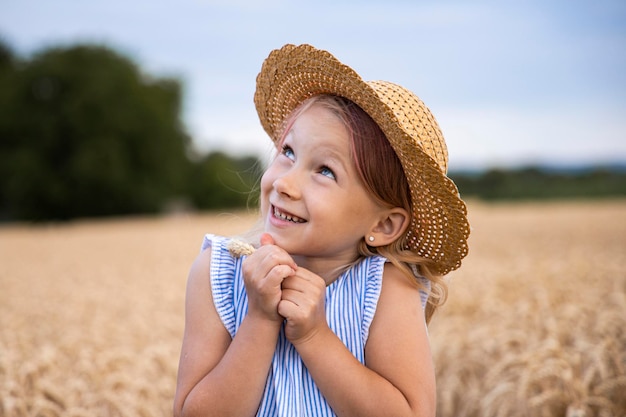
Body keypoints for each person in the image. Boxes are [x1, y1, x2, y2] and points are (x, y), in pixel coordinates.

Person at [173, 44, 470, 417]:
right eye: (289, 152)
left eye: (325, 171)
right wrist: (260, 320)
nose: (285, 183)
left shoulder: (384, 289)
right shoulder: (216, 272)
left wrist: (315, 336)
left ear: (383, 224)